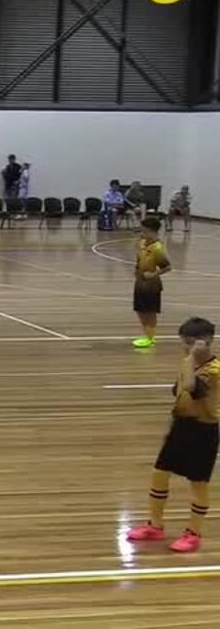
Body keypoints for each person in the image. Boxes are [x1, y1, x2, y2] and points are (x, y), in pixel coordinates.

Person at [125, 316, 220, 554]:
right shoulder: (188, 363)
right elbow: (178, 393)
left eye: (188, 343)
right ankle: (155, 525)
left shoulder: (214, 370)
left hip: (203, 431)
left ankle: (193, 533)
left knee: (198, 483)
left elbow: (191, 387)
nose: (184, 348)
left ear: (204, 343)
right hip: (181, 426)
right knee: (160, 473)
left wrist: (189, 359)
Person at [133, 217, 172, 349]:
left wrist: (153, 274)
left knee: (150, 311)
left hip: (151, 284)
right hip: (139, 282)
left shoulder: (158, 248)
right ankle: (146, 334)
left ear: (152, 232)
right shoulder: (142, 243)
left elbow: (167, 267)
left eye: (144, 232)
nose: (141, 234)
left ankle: (151, 338)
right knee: (140, 310)